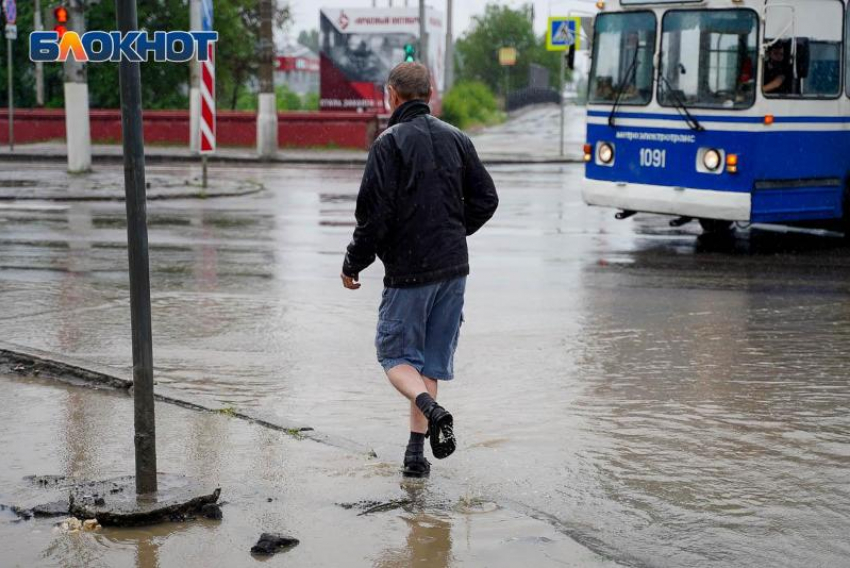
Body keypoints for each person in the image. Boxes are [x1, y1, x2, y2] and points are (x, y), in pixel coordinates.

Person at [340, 62, 499, 478]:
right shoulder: (458, 138)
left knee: (394, 357)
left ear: (392, 95)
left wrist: (353, 263)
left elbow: (372, 217)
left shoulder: (387, 144)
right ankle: (415, 456)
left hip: (410, 271)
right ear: (430, 93)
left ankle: (430, 410)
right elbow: (487, 199)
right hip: (454, 269)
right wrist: (450, 232)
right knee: (427, 364)